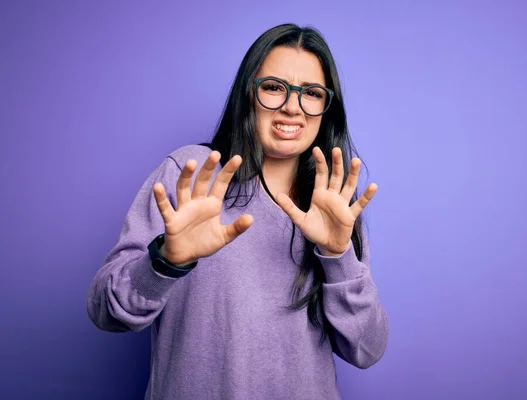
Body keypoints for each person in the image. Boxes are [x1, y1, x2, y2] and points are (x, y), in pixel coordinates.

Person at [87, 23, 388, 400]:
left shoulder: (334, 203)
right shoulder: (192, 173)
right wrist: (164, 262)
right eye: (274, 88)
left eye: (311, 93)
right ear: (249, 95)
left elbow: (366, 350)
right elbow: (106, 311)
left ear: (326, 108)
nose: (292, 107)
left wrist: (337, 256)